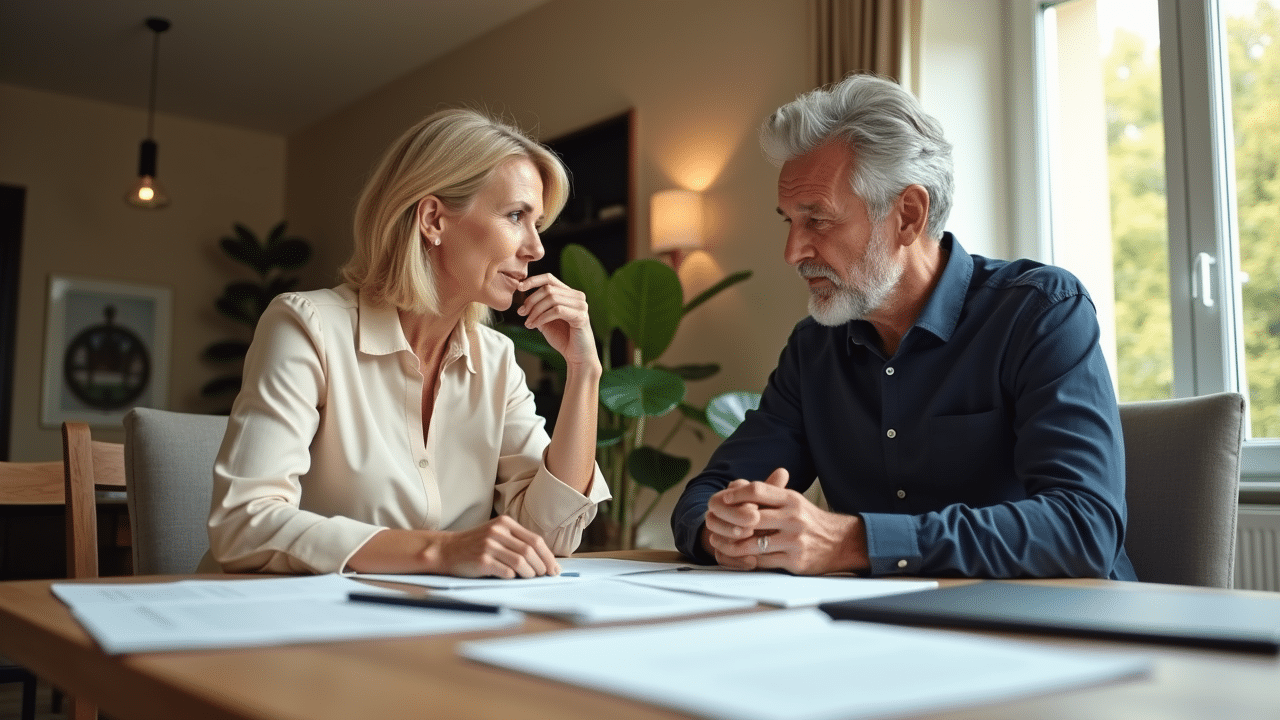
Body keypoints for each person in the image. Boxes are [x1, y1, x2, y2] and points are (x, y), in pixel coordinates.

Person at [671, 74, 1136, 580]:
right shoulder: (814, 349)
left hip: (1059, 631)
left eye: (818, 220)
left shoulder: (1042, 313)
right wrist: (723, 527)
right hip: (889, 634)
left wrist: (853, 542)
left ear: (908, 216)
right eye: (789, 221)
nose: (793, 253)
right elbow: (707, 494)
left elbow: (1084, 527)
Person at [206, 109, 610, 577]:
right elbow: (244, 525)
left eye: (537, 223)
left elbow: (551, 537)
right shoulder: (307, 327)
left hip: (429, 631)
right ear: (433, 219)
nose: (536, 248)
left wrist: (584, 371)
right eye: (516, 216)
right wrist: (439, 552)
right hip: (287, 628)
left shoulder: (497, 361)